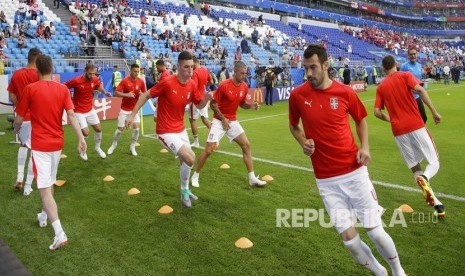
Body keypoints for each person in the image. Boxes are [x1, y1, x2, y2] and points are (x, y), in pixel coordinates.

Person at [289, 44, 405, 276]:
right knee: (349, 241)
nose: (309, 73)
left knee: (375, 232)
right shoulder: (298, 95)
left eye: (313, 68)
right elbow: (294, 126)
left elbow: (361, 120)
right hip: (325, 180)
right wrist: (303, 142)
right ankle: (380, 272)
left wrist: (365, 147)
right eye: (305, 68)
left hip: (354, 172)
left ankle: (398, 271)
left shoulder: (345, 92)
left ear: (325, 65)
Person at [13, 54, 87, 250]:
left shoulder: (31, 89)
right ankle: (44, 216)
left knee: (44, 188)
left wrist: (16, 130)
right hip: (57, 144)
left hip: (40, 145)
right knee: (49, 182)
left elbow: (19, 118)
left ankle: (59, 233)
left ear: (37, 70)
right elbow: (71, 115)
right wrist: (80, 138)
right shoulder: (62, 89)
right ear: (52, 69)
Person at [125, 51, 211, 208]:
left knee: (184, 161)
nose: (190, 71)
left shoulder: (192, 84)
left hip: (180, 129)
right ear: (178, 67)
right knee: (190, 158)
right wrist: (132, 115)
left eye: (192, 67)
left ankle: (184, 191)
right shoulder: (167, 82)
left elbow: (198, 105)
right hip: (165, 131)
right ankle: (184, 190)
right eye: (186, 67)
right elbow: (145, 95)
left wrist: (206, 99)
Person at [374, 54, 445, 218]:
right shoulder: (405, 75)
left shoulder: (381, 87)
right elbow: (420, 89)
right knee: (434, 162)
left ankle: (437, 204)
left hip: (398, 131)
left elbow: (377, 112)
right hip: (416, 125)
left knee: (415, 167)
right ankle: (426, 178)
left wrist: (390, 119)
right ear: (396, 65)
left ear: (384, 69)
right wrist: (434, 112)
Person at [191, 61, 267, 188]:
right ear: (235, 72)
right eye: (242, 73)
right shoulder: (224, 85)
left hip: (233, 121)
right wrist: (223, 119)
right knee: (209, 150)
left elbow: (242, 103)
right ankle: (195, 175)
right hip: (219, 121)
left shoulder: (244, 86)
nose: (244, 75)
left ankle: (252, 178)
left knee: (246, 145)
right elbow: (213, 104)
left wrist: (251, 106)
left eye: (245, 73)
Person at [8, 48, 42, 195]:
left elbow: (12, 96)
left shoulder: (17, 74)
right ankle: (28, 185)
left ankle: (20, 176)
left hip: (21, 117)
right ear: (37, 59)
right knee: (35, 150)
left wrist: (18, 106)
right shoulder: (39, 75)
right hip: (35, 117)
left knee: (23, 146)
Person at [64, 63, 112, 160]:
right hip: (78, 111)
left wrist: (105, 92)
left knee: (98, 129)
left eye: (93, 74)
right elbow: (64, 86)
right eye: (90, 73)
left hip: (90, 109)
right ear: (85, 71)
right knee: (86, 132)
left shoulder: (94, 79)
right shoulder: (76, 80)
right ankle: (83, 150)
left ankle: (97, 148)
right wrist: (67, 98)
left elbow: (98, 86)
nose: (92, 76)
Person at [107, 64, 146, 156]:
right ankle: (114, 144)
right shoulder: (125, 81)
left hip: (134, 110)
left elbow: (145, 94)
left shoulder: (141, 82)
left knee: (136, 129)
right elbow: (116, 93)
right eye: (135, 71)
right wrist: (126, 95)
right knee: (120, 130)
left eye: (138, 71)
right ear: (131, 71)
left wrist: (142, 94)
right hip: (124, 109)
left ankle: (132, 147)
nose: (136, 73)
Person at [189, 57, 213, 148]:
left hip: (196, 99)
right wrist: (203, 85)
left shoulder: (195, 73)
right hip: (204, 97)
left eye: (192, 64)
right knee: (204, 119)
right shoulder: (205, 70)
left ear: (195, 62)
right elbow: (211, 81)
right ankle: (214, 137)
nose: (191, 66)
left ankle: (196, 142)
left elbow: (193, 86)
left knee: (192, 119)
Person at [399, 47, 428, 123]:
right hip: (408, 98)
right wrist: (410, 89)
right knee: (412, 119)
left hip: (417, 96)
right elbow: (399, 81)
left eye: (414, 54)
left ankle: (421, 133)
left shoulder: (419, 65)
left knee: (424, 118)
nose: (413, 56)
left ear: (417, 54)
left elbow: (419, 79)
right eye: (411, 54)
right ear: (408, 55)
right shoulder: (404, 66)